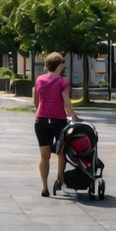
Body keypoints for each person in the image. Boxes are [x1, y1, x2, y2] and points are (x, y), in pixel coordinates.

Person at [34, 52, 77, 197]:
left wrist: (40, 114)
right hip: (58, 120)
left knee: (44, 155)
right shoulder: (63, 81)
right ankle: (60, 178)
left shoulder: (39, 79)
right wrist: (74, 117)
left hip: (41, 120)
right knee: (61, 152)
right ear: (60, 64)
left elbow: (36, 101)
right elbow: (66, 102)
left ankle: (44, 187)